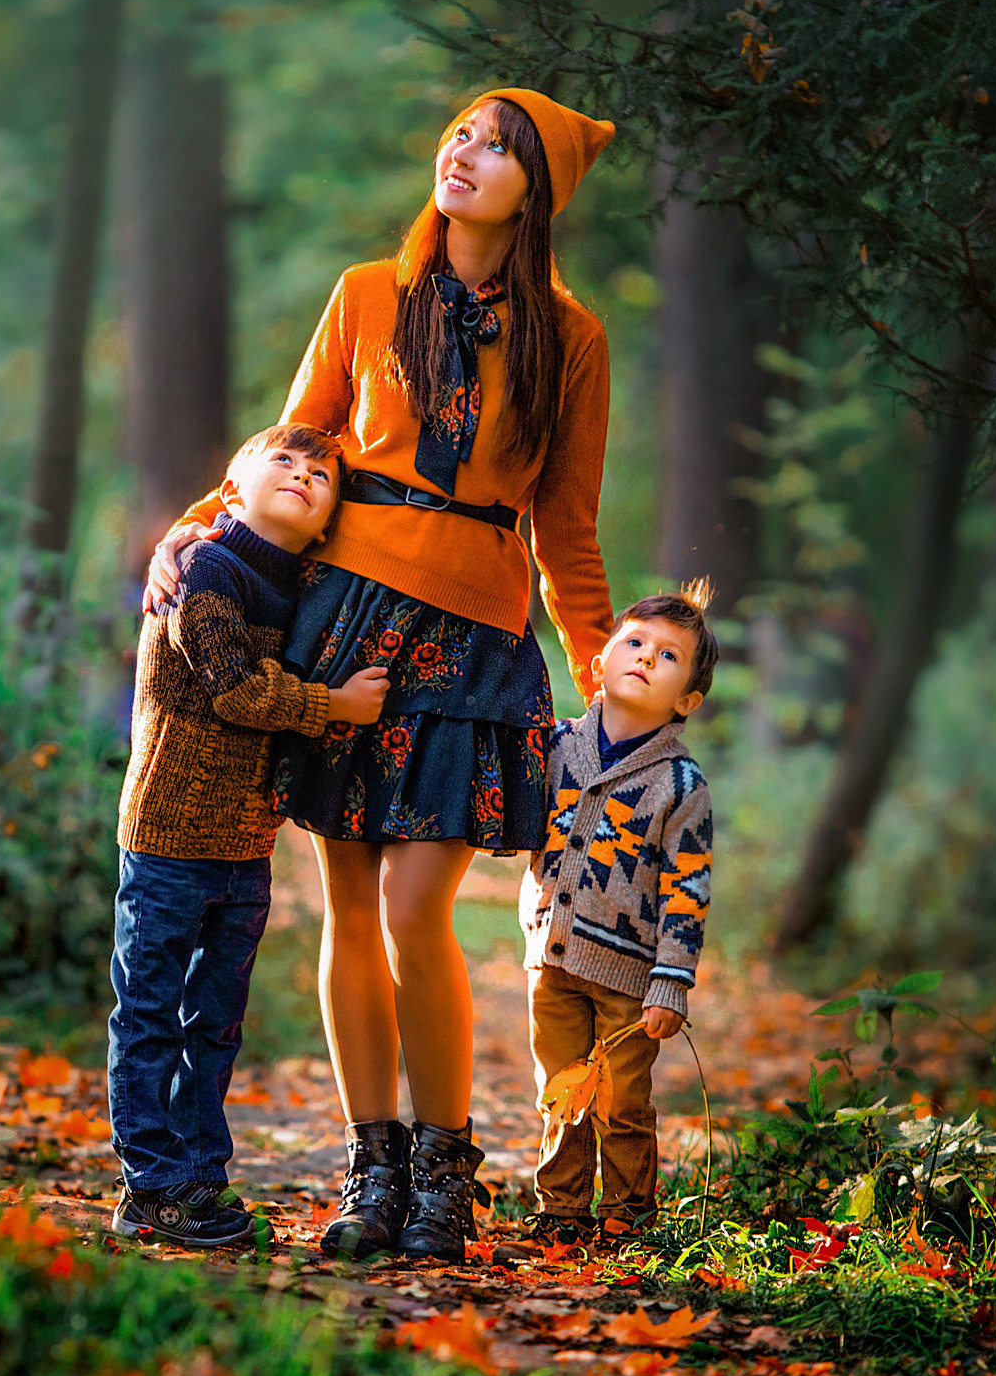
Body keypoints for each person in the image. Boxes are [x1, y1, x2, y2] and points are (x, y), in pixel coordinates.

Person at [144, 87, 620, 1261]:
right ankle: (372, 1174)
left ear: (538, 190)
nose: (467, 154)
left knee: (419, 907)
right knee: (349, 905)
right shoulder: (366, 295)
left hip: (472, 633)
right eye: (462, 133)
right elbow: (291, 439)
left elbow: (564, 522)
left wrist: (598, 658)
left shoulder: (574, 338)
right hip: (341, 619)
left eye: (500, 148)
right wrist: (192, 530)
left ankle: (444, 1175)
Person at [109, 424, 390, 1248]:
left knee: (215, 1022)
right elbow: (234, 687)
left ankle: (198, 1174)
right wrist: (330, 704)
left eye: (321, 474)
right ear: (234, 485)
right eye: (284, 461)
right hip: (167, 836)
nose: (303, 476)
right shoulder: (203, 569)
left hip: (243, 844)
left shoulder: (303, 587)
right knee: (152, 1013)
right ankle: (150, 1183)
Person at [521, 586, 719, 1244]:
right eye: (633, 641)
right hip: (551, 955)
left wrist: (671, 980)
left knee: (621, 1101)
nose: (644, 657)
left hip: (629, 976)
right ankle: (562, 1211)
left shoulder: (679, 785)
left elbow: (687, 886)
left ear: (686, 700)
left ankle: (628, 1217)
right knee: (560, 1090)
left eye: (667, 655)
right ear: (599, 658)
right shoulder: (557, 745)